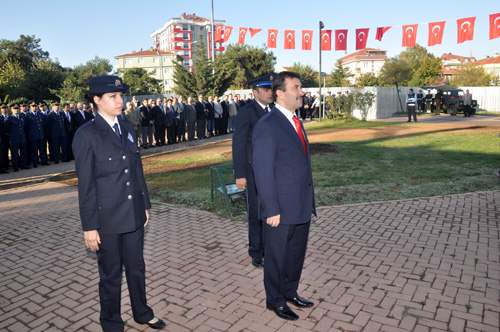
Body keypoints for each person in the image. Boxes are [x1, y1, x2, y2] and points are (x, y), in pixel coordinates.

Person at [72, 75, 166, 332]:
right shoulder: (86, 135)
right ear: (96, 100)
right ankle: (111, 322)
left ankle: (142, 313)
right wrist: (89, 226)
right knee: (111, 275)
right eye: (113, 96)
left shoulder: (125, 127)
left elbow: (137, 171)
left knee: (137, 268)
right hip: (108, 219)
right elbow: (87, 185)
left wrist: (144, 205)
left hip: (134, 214)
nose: (120, 100)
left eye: (121, 95)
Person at [252, 71, 316, 321]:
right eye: (296, 88)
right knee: (277, 258)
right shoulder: (268, 125)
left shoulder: (295, 121)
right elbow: (263, 171)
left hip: (300, 203)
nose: (302, 92)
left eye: (301, 87)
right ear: (280, 93)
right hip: (280, 207)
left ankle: (290, 291)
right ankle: (275, 300)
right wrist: (271, 209)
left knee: (295, 254)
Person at [232, 74, 273, 269]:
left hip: (273, 171)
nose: (270, 92)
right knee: (256, 213)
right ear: (255, 92)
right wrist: (240, 175)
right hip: (253, 172)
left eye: (271, 89)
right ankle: (256, 251)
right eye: (266, 89)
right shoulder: (246, 112)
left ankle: (271, 247)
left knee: (273, 210)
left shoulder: (275, 110)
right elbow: (239, 144)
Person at [4, 103, 29, 172]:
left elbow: (25, 127)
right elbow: (7, 129)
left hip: (22, 137)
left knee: (23, 152)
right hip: (14, 138)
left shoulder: (21, 117)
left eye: (17, 108)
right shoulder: (9, 118)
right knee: (14, 153)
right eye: (14, 109)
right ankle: (15, 166)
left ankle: (24, 165)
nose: (16, 110)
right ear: (11, 110)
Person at [26, 100, 49, 167]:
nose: (34, 107)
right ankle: (35, 162)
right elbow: (26, 127)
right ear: (30, 107)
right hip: (33, 135)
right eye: (33, 106)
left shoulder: (40, 114)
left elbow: (44, 125)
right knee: (34, 150)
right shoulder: (28, 116)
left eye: (35, 106)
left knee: (42, 149)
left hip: (40, 134)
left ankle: (44, 161)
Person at [0, 103, 10, 172]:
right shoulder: (0, 118)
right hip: (3, 138)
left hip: (11, 137)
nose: (5, 109)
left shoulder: (10, 117)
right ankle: (5, 166)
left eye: (6, 108)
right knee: (4, 152)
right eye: (3, 108)